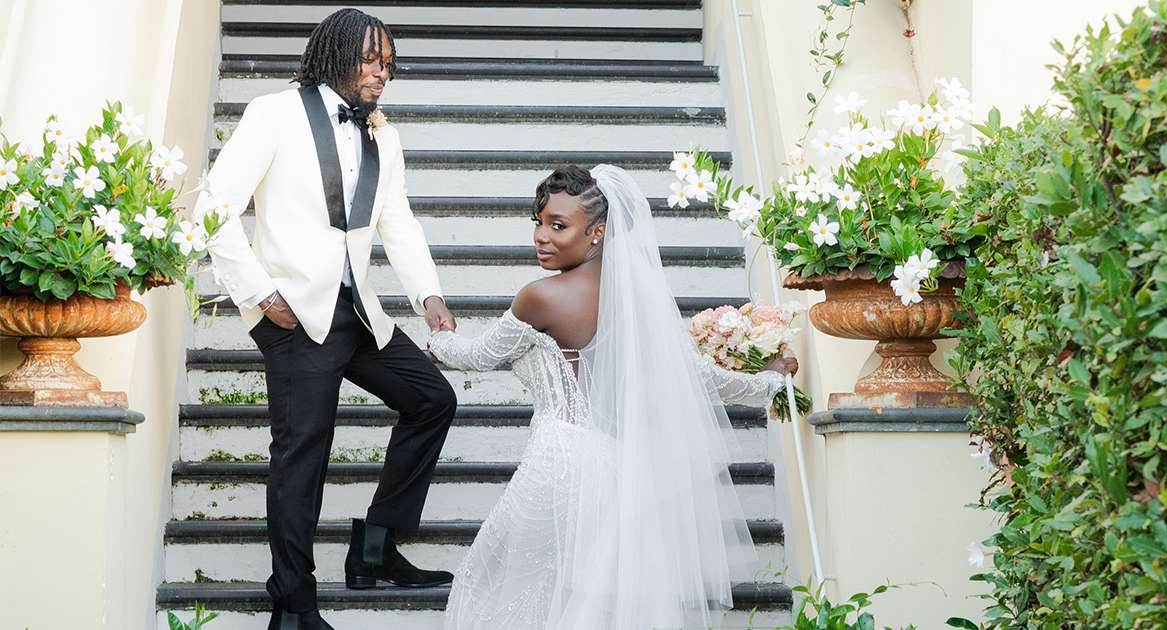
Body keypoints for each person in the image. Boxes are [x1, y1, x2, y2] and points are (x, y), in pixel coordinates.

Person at [430, 165, 798, 629]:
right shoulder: (636, 302)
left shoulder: (540, 298)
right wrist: (769, 381)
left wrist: (438, 339)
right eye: (538, 222)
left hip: (557, 466)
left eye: (558, 226)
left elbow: (480, 356)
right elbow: (703, 379)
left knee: (497, 589)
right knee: (584, 605)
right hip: (613, 471)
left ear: (598, 232)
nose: (542, 236)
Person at [200, 9, 457, 630]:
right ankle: (292, 605)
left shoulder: (381, 132)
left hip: (359, 312)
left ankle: (375, 547)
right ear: (335, 53)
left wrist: (427, 293)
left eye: (389, 63)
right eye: (371, 59)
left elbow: (396, 216)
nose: (381, 73)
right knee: (303, 458)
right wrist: (260, 294)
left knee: (432, 400)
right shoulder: (273, 112)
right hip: (292, 317)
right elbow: (212, 207)